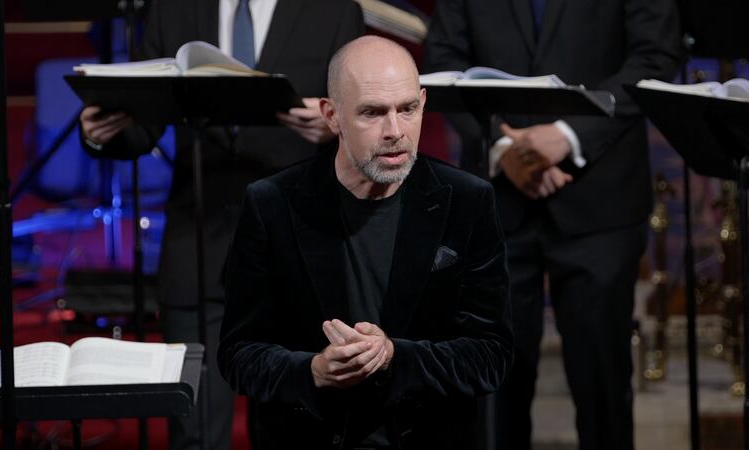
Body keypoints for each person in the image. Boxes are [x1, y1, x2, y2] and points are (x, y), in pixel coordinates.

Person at [78, 1, 365, 449]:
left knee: (294, 429)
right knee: (195, 431)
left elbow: (368, 117)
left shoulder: (334, 10)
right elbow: (143, 125)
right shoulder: (174, 9)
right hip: (197, 241)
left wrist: (337, 126)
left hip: (298, 245)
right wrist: (99, 133)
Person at [217, 36, 513, 450]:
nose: (394, 131)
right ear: (331, 115)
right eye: (372, 113)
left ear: (423, 103)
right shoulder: (271, 204)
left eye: (407, 109)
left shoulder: (467, 200)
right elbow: (238, 354)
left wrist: (394, 356)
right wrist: (313, 371)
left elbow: (490, 355)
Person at [424, 1, 682, 449]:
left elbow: (655, 55)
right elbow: (444, 60)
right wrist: (505, 146)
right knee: (493, 394)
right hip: (496, 204)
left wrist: (565, 135)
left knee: (603, 390)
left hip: (603, 203)